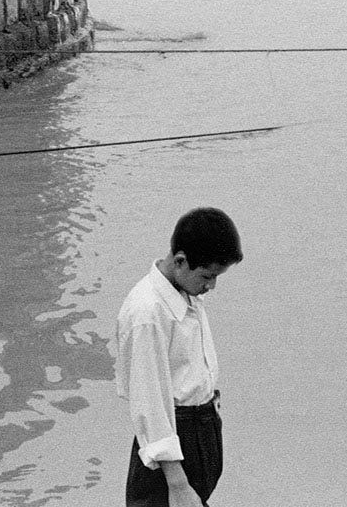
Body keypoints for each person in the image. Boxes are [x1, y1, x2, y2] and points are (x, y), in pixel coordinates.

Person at [115, 207, 244, 507]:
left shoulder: (185, 291)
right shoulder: (148, 312)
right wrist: (178, 482)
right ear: (180, 261)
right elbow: (148, 403)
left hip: (199, 428)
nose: (211, 286)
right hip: (173, 446)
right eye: (208, 276)